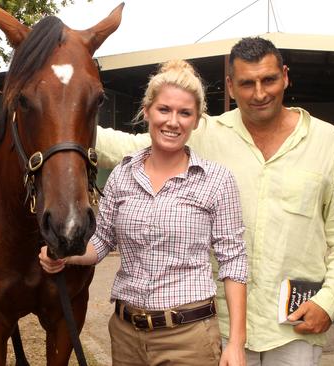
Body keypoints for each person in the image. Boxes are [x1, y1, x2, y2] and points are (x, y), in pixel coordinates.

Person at [94, 37, 334, 365]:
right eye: (246, 83)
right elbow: (131, 146)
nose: (260, 93)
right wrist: (54, 121)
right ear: (230, 87)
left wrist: (329, 300)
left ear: (286, 76)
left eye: (269, 79)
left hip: (295, 325)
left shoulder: (328, 143)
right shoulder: (207, 132)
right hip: (220, 325)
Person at [40, 60, 248, 366]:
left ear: (196, 121)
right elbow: (100, 243)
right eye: (164, 109)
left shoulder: (217, 181)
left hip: (188, 339)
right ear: (147, 110)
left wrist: (236, 343)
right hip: (126, 336)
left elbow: (234, 263)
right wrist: (63, 254)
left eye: (185, 113)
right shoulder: (123, 175)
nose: (173, 121)